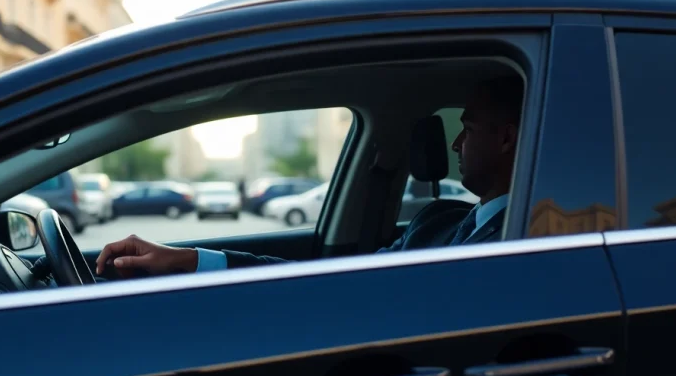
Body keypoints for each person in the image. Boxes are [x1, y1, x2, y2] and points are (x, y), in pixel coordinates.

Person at [95, 76, 523, 277]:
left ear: (506, 139)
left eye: (468, 129)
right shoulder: (437, 222)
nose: (454, 144)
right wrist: (185, 258)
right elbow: (336, 284)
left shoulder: (523, 245)